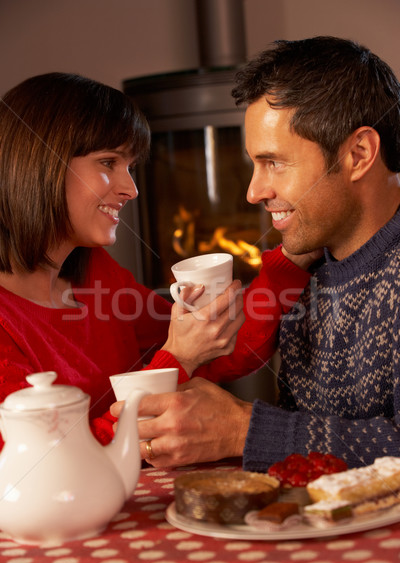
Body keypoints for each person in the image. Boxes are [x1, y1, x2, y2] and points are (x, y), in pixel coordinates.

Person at [115, 36, 400, 470]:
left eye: (275, 163)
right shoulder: (311, 270)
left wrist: (240, 429)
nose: (254, 192)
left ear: (357, 155)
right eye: (254, 164)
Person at [0, 72, 247, 450]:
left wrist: (292, 260)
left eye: (129, 166)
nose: (130, 189)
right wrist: (178, 357)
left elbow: (217, 352)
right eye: (108, 162)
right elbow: (50, 466)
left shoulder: (95, 272)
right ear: (39, 165)